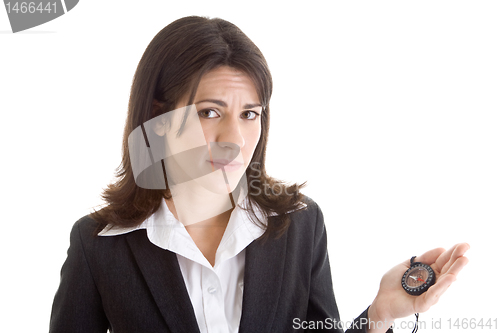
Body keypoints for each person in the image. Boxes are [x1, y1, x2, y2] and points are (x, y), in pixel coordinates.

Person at [49, 16, 469, 333]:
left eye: (250, 114)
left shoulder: (300, 225)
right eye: (210, 112)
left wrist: (379, 314)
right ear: (158, 116)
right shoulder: (98, 245)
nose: (235, 137)